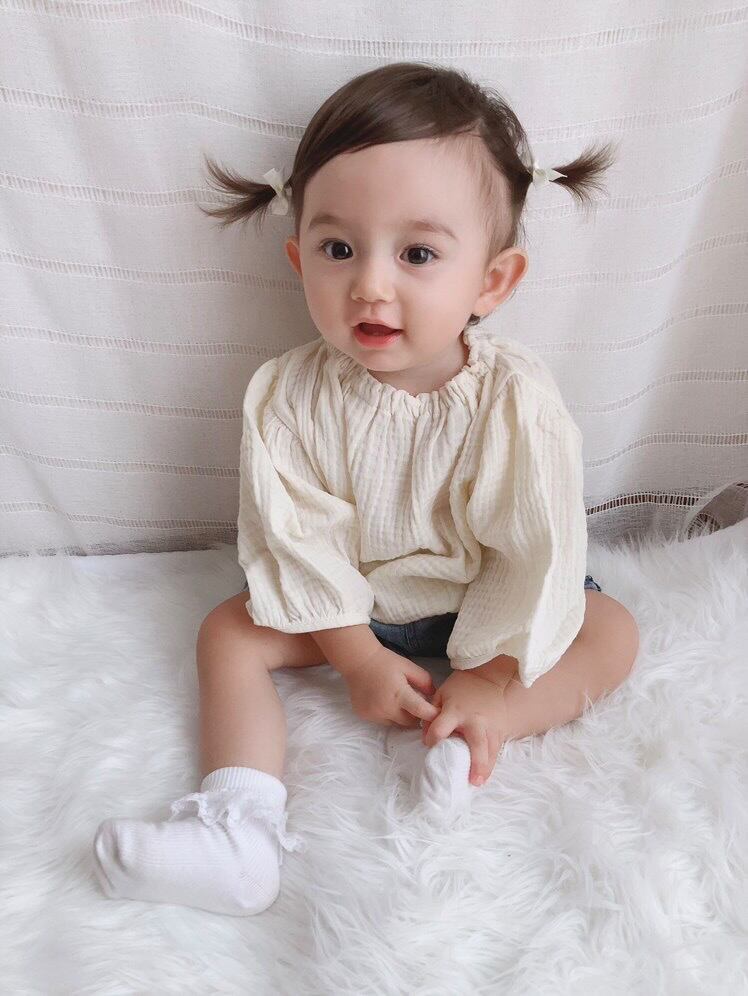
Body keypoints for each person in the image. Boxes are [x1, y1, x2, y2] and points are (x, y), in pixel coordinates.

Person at [92, 62, 639, 917]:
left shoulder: (514, 401)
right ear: (298, 259)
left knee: (610, 629)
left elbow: (535, 548)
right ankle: (240, 829)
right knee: (228, 635)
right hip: (354, 607)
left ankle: (485, 725)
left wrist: (494, 673)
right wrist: (356, 656)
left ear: (491, 281)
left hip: (479, 600)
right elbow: (295, 539)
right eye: (338, 249)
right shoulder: (288, 396)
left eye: (418, 254)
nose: (370, 285)